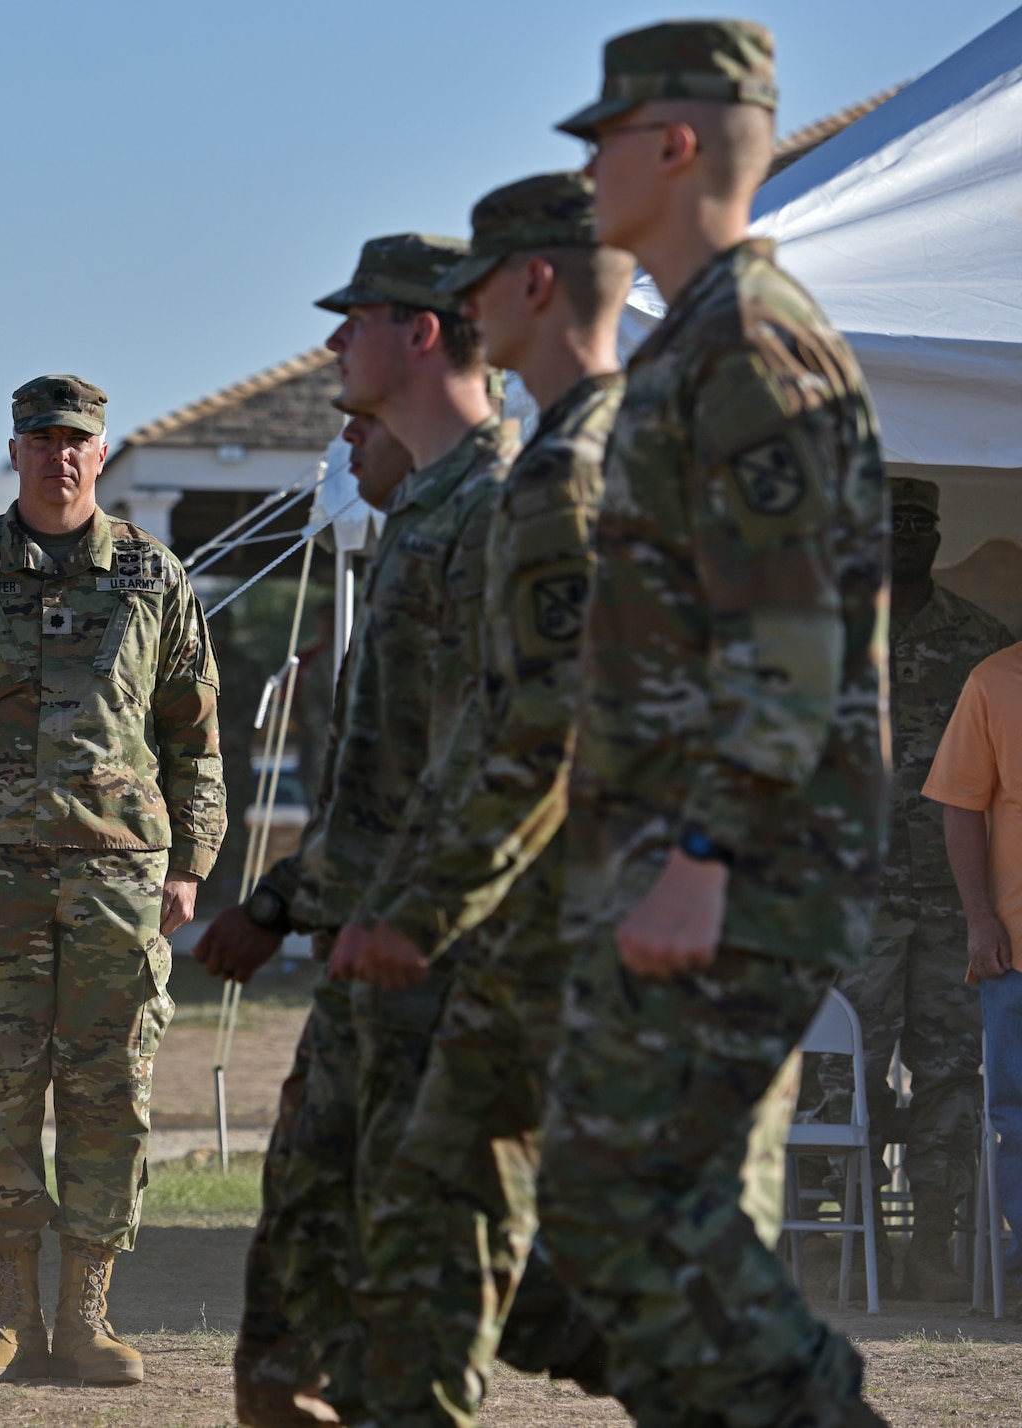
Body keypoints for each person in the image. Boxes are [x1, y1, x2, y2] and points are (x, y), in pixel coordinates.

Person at [534, 22, 889, 1425]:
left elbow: (791, 638)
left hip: (744, 865)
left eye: (601, 139)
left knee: (631, 1206)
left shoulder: (751, 345)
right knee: (619, 1215)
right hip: (690, 854)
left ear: (674, 145)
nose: (584, 169)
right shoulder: (697, 346)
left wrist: (702, 853)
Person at [196, 233, 510, 1427]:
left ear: (420, 330)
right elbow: (378, 785)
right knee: (294, 1291)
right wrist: (288, 905)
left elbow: (494, 764)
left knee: (411, 1309)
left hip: (443, 969)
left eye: (355, 318)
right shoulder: (417, 520)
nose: (330, 344)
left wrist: (292, 904)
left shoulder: (498, 511)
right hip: (363, 960)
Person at [340, 172, 626, 1427]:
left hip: (533, 927)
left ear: (529, 284)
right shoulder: (533, 474)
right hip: (479, 919)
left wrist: (420, 909)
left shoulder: (553, 482)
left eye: (473, 285)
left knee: (455, 1242)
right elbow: (461, 735)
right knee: (429, 1242)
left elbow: (535, 734)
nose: (463, 309)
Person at [0, 374, 224, 1388]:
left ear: (101, 451)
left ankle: (86, 1315)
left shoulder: (152, 576)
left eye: (75, 439)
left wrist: (193, 863)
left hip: (118, 881)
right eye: (40, 438)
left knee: (109, 1090)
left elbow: (193, 737)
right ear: (14, 450)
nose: (58, 454)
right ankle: (7, 1317)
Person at [816, 476, 1009, 1298]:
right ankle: (831, 1252)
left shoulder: (983, 643)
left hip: (954, 905)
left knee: (950, 1081)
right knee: (838, 1078)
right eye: (886, 524)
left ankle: (934, 1250)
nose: (903, 537)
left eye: (919, 525)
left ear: (937, 537)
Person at [925, 630, 1022, 1298]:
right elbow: (961, 807)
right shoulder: (993, 680)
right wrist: (980, 918)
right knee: (1016, 1116)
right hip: (1017, 950)